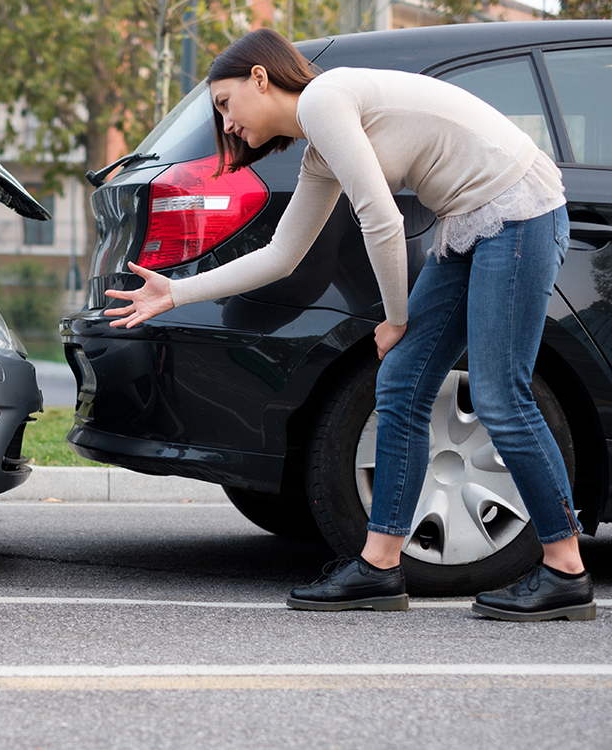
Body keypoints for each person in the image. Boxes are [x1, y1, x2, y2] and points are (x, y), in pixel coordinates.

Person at [105, 29, 593, 622]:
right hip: (473, 223)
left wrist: (394, 319)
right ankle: (380, 566)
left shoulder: (324, 99)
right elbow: (282, 254)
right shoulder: (320, 147)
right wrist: (176, 291)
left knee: (498, 393)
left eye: (226, 103)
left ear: (261, 77)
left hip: (518, 213)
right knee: (403, 384)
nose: (226, 123)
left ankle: (566, 571)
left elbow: (382, 221)